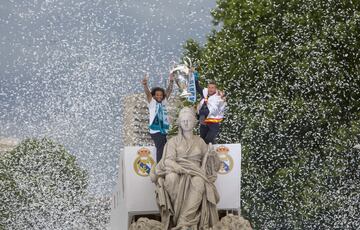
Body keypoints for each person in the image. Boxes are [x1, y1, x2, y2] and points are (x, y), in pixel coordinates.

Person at [150, 107, 221, 229]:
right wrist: (177, 167)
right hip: (178, 170)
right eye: (183, 121)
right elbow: (167, 160)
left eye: (189, 120)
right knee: (171, 178)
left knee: (199, 182)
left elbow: (211, 163)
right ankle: (176, 218)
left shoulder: (200, 142)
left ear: (194, 122)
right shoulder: (173, 142)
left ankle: (185, 221)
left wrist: (212, 155)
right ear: (180, 123)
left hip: (196, 172)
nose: (186, 123)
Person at [142, 73, 174, 162]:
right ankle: (159, 166)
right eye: (157, 95)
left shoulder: (164, 102)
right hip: (155, 130)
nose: (159, 96)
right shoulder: (152, 103)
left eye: (161, 95)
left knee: (164, 148)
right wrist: (145, 85)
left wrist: (171, 81)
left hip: (163, 130)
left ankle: (162, 164)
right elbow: (148, 93)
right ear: (153, 96)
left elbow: (169, 91)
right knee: (160, 148)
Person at [194, 70, 226, 144]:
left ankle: (211, 152)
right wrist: (195, 77)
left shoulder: (218, 98)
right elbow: (198, 87)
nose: (210, 89)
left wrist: (198, 111)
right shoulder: (205, 93)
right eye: (209, 87)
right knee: (202, 141)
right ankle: (205, 153)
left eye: (212, 88)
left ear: (215, 89)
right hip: (203, 122)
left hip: (213, 123)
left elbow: (211, 110)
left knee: (208, 140)